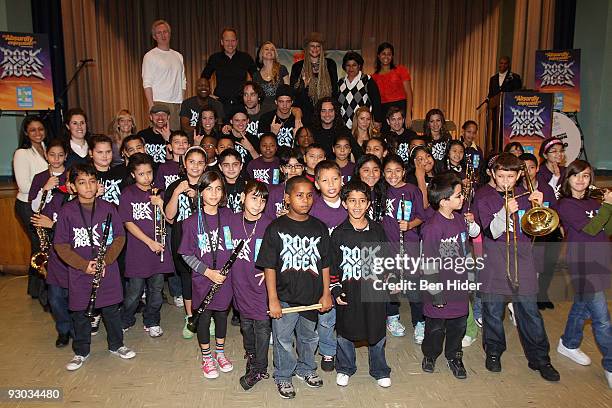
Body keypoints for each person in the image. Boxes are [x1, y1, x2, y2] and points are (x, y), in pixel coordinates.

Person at [474, 152, 560, 382]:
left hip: (523, 262)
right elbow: (490, 232)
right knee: (492, 313)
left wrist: (539, 206)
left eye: (511, 177)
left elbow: (541, 230)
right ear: (492, 173)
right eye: (501, 176)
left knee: (530, 313)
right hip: (494, 262)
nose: (505, 181)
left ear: (520, 174)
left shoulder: (527, 195)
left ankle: (540, 359)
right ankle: (493, 352)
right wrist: (505, 211)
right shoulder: (483, 196)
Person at [257, 175, 333, 399]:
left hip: (311, 298)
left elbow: (325, 264)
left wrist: (326, 293)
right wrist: (273, 299)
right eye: (299, 195)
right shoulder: (275, 228)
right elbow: (269, 266)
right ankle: (283, 374)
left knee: (309, 338)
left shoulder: (319, 228)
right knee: (283, 340)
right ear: (287, 198)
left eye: (310, 195)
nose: (305, 200)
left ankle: (306, 368)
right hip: (285, 298)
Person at [54, 163, 134, 371]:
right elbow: (61, 245)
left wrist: (105, 260)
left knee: (111, 311)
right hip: (80, 273)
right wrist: (83, 265)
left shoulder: (108, 208)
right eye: (82, 182)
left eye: (92, 182)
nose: (88, 187)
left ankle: (117, 345)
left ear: (98, 184)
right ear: (72, 186)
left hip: (106, 269)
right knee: (80, 314)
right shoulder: (67, 212)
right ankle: (81, 351)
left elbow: (119, 236)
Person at [556, 160, 612, 389]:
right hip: (583, 265)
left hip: (600, 261)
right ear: (568, 178)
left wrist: (609, 207)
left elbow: (607, 229)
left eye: (586, 176)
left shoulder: (594, 201)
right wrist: (607, 207)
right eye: (576, 176)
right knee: (602, 319)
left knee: (581, 307)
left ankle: (568, 344)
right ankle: (611, 365)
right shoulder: (565, 205)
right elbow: (590, 228)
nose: (581, 180)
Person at [330, 179, 391, 388]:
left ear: (368, 204)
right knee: (346, 330)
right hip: (349, 291)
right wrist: (336, 288)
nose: (357, 205)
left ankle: (379, 369)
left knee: (377, 330)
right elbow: (332, 265)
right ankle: (345, 367)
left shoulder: (377, 230)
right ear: (344, 203)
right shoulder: (338, 234)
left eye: (362, 201)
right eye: (352, 201)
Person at [420, 172, 481, 380]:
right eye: (457, 196)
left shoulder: (459, 220)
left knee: (458, 326)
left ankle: (454, 356)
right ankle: (430, 354)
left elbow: (466, 251)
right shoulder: (432, 227)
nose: (462, 198)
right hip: (438, 289)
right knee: (435, 329)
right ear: (444, 201)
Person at [179, 170, 236, 379]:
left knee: (222, 316)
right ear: (200, 192)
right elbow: (186, 254)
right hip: (203, 280)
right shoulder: (192, 222)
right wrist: (207, 272)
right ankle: (206, 357)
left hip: (226, 280)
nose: (214, 193)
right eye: (209, 188)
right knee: (203, 320)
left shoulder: (229, 216)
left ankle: (220, 353)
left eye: (218, 189)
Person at [119, 153, 173, 337]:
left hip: (159, 251)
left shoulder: (158, 193)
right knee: (134, 292)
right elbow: (128, 222)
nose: (146, 177)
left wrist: (161, 204)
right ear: (133, 174)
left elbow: (170, 219)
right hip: (138, 251)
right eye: (141, 174)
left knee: (156, 290)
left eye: (149, 173)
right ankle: (126, 318)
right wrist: (149, 242)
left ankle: (152, 320)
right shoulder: (128, 193)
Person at [230, 180, 272, 390]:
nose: (258, 204)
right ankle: (252, 353)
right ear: (242, 197)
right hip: (239, 282)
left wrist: (270, 270)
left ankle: (260, 368)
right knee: (246, 324)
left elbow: (279, 253)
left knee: (262, 327)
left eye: (263, 200)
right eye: (254, 198)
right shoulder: (230, 220)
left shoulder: (269, 224)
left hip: (261, 285)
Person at [29, 138, 70, 346]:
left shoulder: (69, 178)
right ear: (46, 156)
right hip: (49, 242)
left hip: (67, 240)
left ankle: (77, 325)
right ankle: (63, 329)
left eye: (60, 155)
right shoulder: (40, 178)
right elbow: (34, 206)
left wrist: (52, 223)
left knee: (72, 291)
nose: (56, 159)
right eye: (52, 154)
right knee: (54, 295)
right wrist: (45, 188)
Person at [164, 146, 207, 338]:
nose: (195, 166)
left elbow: (215, 212)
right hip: (181, 239)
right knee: (187, 278)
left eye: (200, 162)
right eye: (191, 162)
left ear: (205, 165)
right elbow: (170, 217)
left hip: (205, 239)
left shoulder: (210, 184)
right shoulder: (175, 186)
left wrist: (197, 197)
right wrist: (177, 193)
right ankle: (190, 317)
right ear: (184, 164)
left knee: (205, 277)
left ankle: (206, 315)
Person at [382, 155, 425, 341]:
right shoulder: (381, 191)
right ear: (383, 173)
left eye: (397, 171)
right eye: (389, 171)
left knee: (414, 286)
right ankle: (392, 318)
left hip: (410, 245)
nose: (393, 175)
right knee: (391, 284)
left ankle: (419, 322)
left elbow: (421, 216)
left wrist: (409, 225)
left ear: (404, 172)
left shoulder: (412, 190)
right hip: (388, 246)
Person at [310, 160, 347, 371]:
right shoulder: (313, 208)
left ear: (342, 180)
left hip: (345, 271)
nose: (331, 184)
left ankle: (343, 348)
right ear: (317, 184)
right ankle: (327, 351)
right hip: (321, 271)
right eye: (324, 180)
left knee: (345, 314)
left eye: (335, 178)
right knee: (326, 315)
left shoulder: (350, 204)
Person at [13, 116, 49, 299]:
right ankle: (40, 290)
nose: (37, 133)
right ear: (26, 133)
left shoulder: (45, 149)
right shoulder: (22, 153)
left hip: (42, 204)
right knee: (39, 245)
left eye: (40, 129)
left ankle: (36, 288)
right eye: (33, 130)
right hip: (27, 205)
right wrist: (47, 186)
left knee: (40, 246)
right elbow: (24, 185)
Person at [519, 153, 559, 310]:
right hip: (524, 235)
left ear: (537, 169)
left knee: (543, 267)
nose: (527, 171)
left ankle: (539, 296)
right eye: (523, 168)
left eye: (531, 167)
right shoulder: (516, 190)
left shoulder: (546, 188)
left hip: (544, 234)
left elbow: (554, 210)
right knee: (526, 269)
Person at [201, 28, 257, 114]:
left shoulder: (246, 58)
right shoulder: (214, 58)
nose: (230, 44)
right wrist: (209, 94)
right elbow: (204, 78)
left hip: (241, 103)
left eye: (233, 40)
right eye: (227, 40)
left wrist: (252, 95)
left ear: (237, 42)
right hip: (220, 103)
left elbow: (256, 77)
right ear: (222, 42)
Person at [142, 20, 186, 130]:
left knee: (175, 137)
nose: (163, 35)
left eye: (165, 32)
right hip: (159, 102)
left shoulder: (178, 56)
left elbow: (183, 82)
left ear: (170, 34)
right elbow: (147, 83)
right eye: (159, 33)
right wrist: (151, 105)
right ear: (154, 36)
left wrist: (181, 102)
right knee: (159, 136)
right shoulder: (150, 56)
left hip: (176, 103)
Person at [290, 32, 338, 125]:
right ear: (307, 48)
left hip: (325, 114)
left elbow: (334, 91)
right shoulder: (298, 67)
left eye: (318, 46)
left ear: (322, 48)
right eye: (312, 46)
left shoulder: (330, 64)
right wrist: (303, 85)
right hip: (305, 114)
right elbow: (294, 94)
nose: (315, 49)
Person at [337, 51, 383, 129]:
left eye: (354, 65)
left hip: (363, 126)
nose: (351, 68)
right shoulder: (340, 82)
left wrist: (377, 120)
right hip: (343, 126)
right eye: (348, 65)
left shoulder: (367, 80)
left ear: (359, 66)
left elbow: (376, 101)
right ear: (344, 67)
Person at [371, 42, 413, 126]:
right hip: (383, 111)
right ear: (378, 56)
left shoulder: (401, 70)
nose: (386, 56)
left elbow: (409, 94)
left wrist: (408, 115)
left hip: (401, 109)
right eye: (383, 54)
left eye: (389, 54)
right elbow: (374, 101)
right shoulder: (373, 77)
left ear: (392, 56)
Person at [264, 148, 304, 219]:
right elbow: (267, 218)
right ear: (281, 169)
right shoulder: (273, 192)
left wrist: (295, 216)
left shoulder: (310, 191)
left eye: (297, 166)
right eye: (288, 166)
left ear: (303, 168)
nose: (293, 170)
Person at [88, 135, 125, 207]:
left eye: (108, 152)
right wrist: (93, 196)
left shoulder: (121, 172)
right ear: (90, 153)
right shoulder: (86, 176)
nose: (105, 156)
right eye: (100, 152)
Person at [253, 41, 290, 113]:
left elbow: (288, 92)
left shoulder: (282, 69)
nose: (269, 51)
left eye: (272, 49)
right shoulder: (255, 75)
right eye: (266, 49)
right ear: (261, 53)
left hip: (280, 112)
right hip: (262, 113)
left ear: (275, 54)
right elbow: (256, 98)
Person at [219, 148, 247, 213]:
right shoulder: (217, 187)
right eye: (226, 165)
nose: (231, 168)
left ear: (241, 166)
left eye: (235, 164)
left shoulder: (248, 187)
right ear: (220, 167)